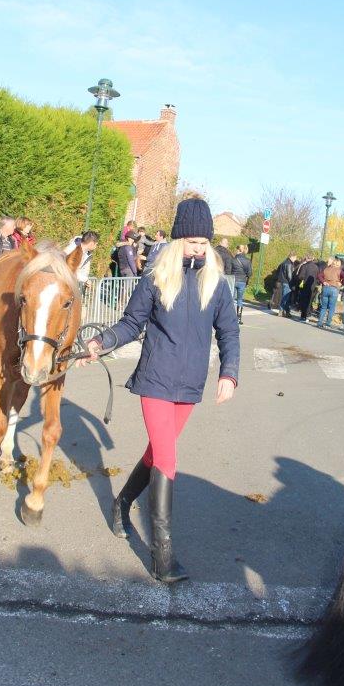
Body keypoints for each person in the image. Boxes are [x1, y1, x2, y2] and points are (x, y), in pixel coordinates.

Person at [84, 197, 239, 583]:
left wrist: (229, 373)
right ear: (176, 242)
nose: (199, 248)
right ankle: (162, 556)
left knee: (157, 453)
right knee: (168, 459)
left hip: (189, 386)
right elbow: (131, 324)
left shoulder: (216, 285)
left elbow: (229, 333)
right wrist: (101, 342)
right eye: (192, 241)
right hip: (155, 379)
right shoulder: (155, 279)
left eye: (204, 242)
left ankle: (121, 505)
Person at [316, 257, 344, 328]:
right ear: (338, 264)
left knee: (323, 307)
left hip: (325, 288)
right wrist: (341, 283)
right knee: (331, 308)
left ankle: (320, 323)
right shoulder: (339, 270)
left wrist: (323, 282)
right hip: (334, 289)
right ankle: (327, 324)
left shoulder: (326, 269)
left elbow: (319, 275)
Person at [272, 252, 298, 318]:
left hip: (282, 281)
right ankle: (281, 311)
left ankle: (286, 312)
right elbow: (289, 276)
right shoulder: (289, 264)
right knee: (285, 298)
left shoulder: (284, 262)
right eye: (295, 258)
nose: (295, 259)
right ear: (292, 257)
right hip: (287, 283)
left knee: (286, 297)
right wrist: (292, 284)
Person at [294, 256, 320, 322]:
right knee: (309, 302)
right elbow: (317, 277)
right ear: (312, 258)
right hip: (312, 286)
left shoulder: (304, 266)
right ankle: (307, 315)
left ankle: (303, 316)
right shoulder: (316, 267)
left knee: (303, 301)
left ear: (307, 259)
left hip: (304, 286)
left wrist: (301, 279)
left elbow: (300, 276)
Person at [232, 244, 252, 323]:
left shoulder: (233, 259)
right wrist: (245, 275)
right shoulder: (248, 260)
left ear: (238, 250)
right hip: (242, 282)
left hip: (233, 280)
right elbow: (250, 273)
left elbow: (229, 270)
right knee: (240, 300)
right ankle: (239, 318)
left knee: (231, 299)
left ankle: (230, 316)